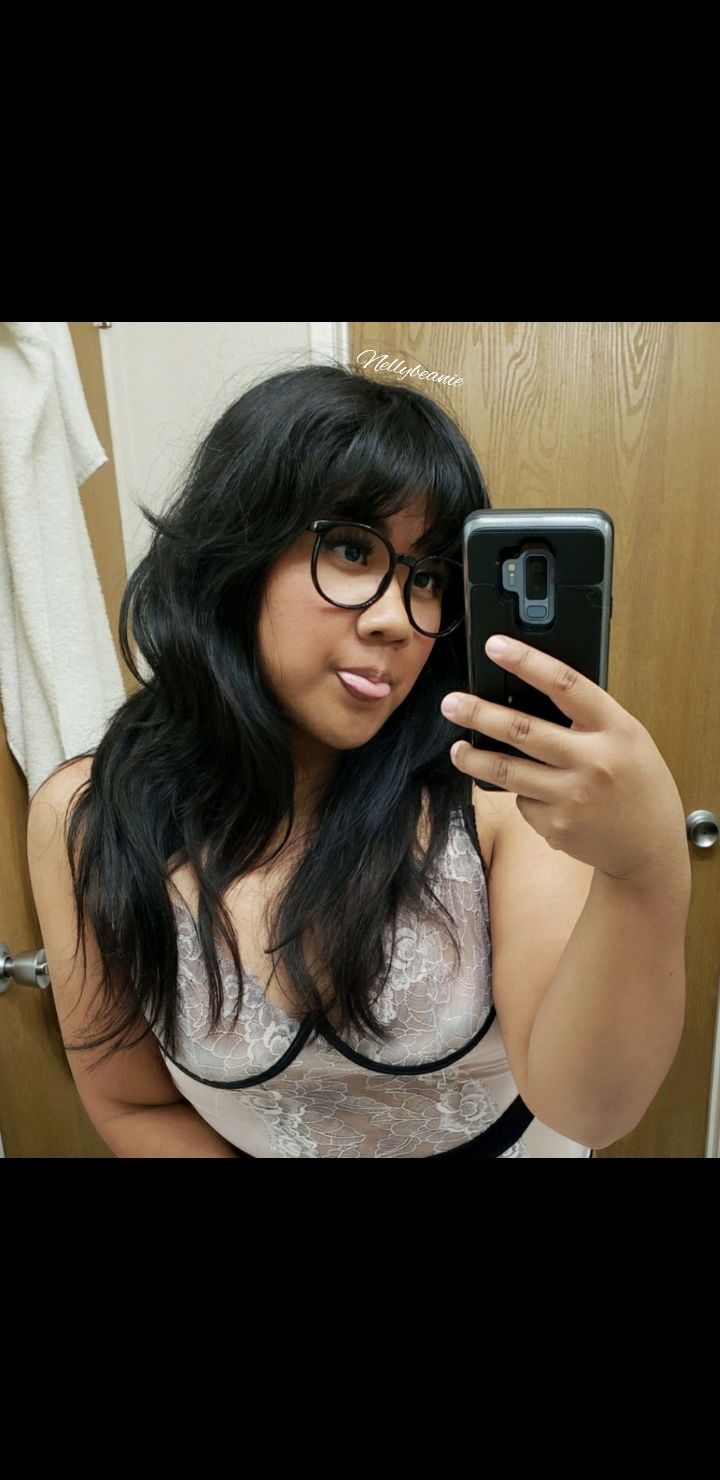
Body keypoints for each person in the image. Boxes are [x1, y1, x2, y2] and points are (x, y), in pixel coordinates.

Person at [27, 362, 600, 1158]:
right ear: (236, 551)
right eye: (353, 550)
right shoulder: (88, 816)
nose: (397, 618)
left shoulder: (494, 793)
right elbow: (132, 1105)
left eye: (428, 577)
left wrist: (645, 873)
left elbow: (588, 1104)